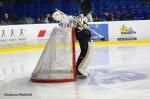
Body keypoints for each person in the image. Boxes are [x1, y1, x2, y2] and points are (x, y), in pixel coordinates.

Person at [74, 14, 92, 78]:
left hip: (85, 42)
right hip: (84, 44)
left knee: (84, 55)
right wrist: (83, 29)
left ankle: (80, 69)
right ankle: (78, 69)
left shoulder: (84, 27)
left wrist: (85, 28)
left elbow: (88, 35)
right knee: (83, 54)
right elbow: (80, 36)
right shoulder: (78, 28)